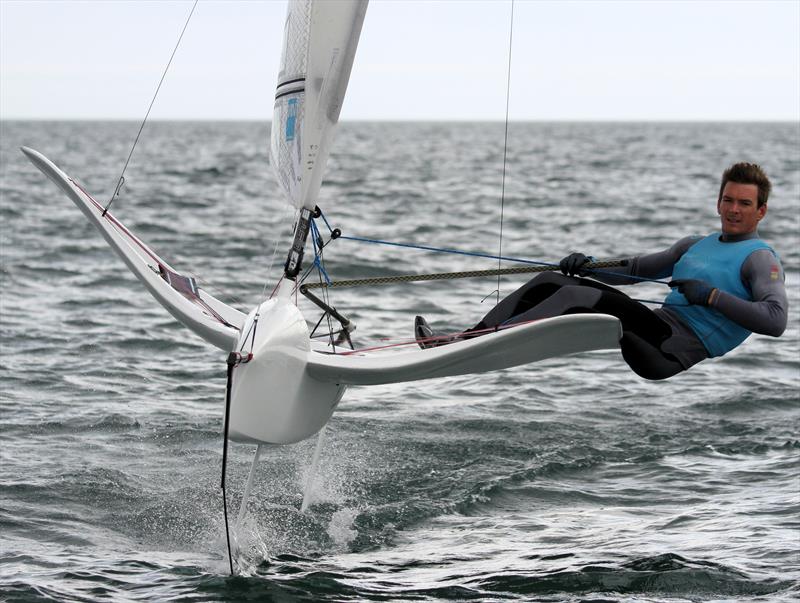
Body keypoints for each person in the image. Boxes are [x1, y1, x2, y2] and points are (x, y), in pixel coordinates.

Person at [414, 162, 788, 380]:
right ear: (718, 201)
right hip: (651, 327)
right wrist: (589, 265)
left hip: (669, 350)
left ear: (761, 211)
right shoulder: (694, 244)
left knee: (577, 296)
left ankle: (476, 349)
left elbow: (775, 321)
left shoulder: (760, 259)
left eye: (744, 203)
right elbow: (638, 270)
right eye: (728, 200)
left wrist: (710, 296)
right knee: (555, 281)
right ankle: (465, 339)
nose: (733, 209)